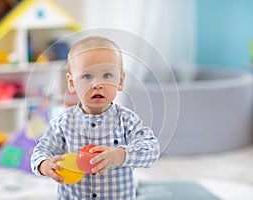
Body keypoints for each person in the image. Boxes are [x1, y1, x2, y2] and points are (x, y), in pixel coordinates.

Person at [31, 36, 160, 199]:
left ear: (120, 81)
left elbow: (152, 150)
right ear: (71, 83)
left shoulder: (127, 121)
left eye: (107, 76)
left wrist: (119, 155)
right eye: (87, 76)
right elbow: (41, 150)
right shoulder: (63, 122)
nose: (97, 84)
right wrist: (45, 164)